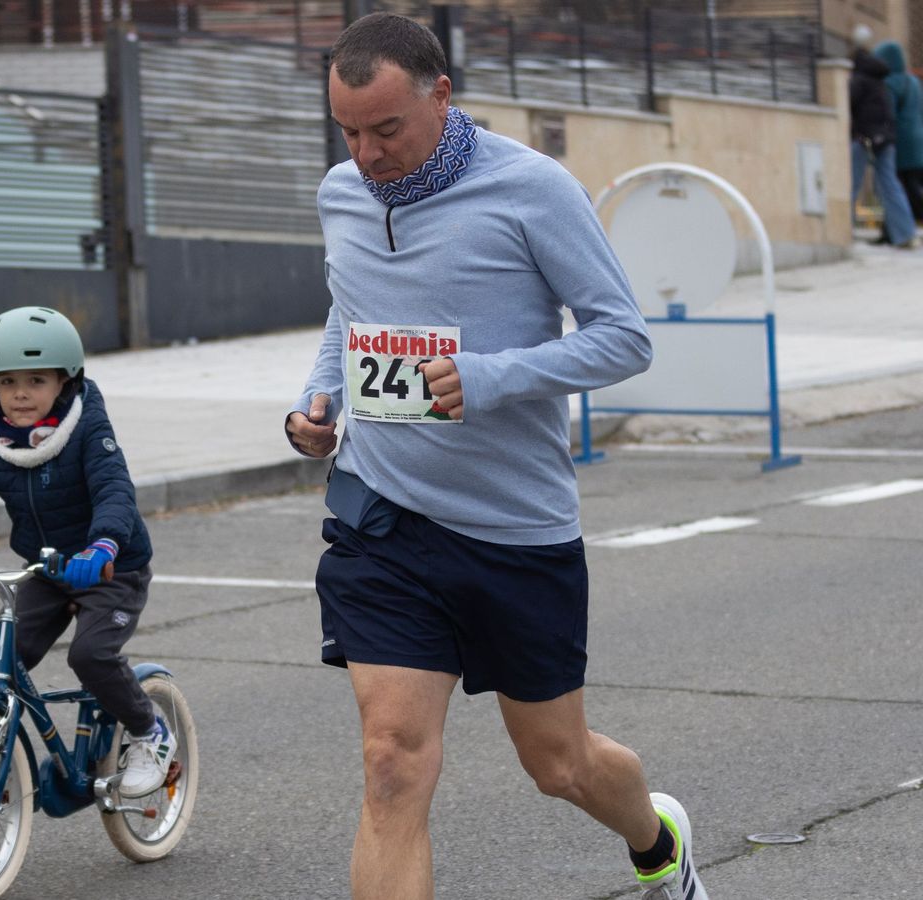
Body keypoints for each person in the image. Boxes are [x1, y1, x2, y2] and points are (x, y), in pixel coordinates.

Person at [286, 14, 707, 900]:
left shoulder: (533, 189)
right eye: (349, 131)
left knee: (560, 765)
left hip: (514, 526)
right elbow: (348, 308)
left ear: (443, 96)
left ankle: (656, 838)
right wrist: (317, 398)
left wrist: (488, 377)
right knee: (392, 762)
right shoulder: (342, 193)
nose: (365, 154)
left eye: (386, 129)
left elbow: (623, 340)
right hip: (384, 515)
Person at [0, 306, 175, 798]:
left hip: (109, 567)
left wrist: (103, 543)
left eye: (36, 380)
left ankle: (151, 733)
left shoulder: (87, 430)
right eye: (6, 381)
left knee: (91, 655)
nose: (20, 393)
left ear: (66, 381)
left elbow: (114, 491)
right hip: (45, 569)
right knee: (2, 650)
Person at [848, 27, 918, 248]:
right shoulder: (886, 79)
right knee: (890, 184)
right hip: (888, 138)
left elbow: (848, 106)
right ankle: (904, 234)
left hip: (866, 137)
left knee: (851, 183)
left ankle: (841, 232)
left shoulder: (861, 80)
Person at [874, 40, 923, 225]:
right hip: (919, 139)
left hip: (902, 142)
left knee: (896, 185)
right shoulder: (913, 82)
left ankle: (901, 225)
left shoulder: (890, 83)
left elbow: (889, 112)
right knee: (912, 183)